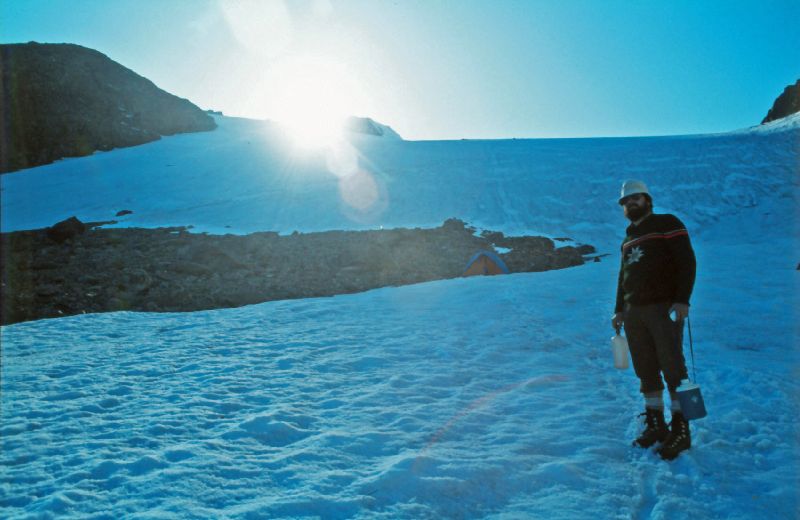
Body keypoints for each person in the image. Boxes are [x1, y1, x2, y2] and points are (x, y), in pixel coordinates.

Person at [611, 180, 697, 460]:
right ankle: (657, 425)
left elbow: (687, 261)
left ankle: (681, 429)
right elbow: (623, 279)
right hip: (634, 312)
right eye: (625, 202)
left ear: (647, 199)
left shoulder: (667, 223)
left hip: (662, 308)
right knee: (646, 370)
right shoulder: (627, 238)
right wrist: (619, 309)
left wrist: (682, 299)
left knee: (674, 369)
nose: (629, 204)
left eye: (634, 199)